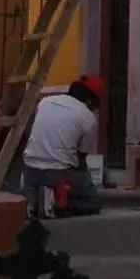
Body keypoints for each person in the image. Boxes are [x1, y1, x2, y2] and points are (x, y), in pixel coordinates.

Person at [22, 75, 105, 219]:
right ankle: (53, 201)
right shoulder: (88, 117)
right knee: (93, 201)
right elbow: (81, 160)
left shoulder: (45, 102)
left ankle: (33, 199)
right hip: (58, 173)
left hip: (29, 170)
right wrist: (88, 181)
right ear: (91, 100)